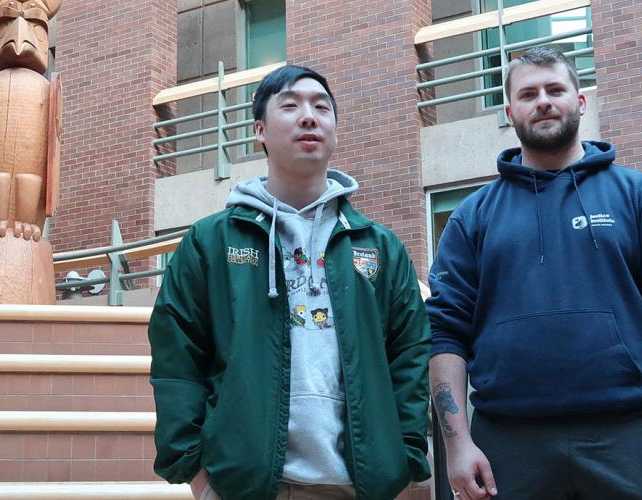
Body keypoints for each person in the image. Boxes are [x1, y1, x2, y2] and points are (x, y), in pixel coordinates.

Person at [426, 46, 642, 500]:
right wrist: (456, 444)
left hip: (634, 434)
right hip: (508, 441)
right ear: (509, 112)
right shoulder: (472, 217)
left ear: (580, 102)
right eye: (528, 94)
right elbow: (445, 333)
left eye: (555, 89)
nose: (542, 101)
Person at [149, 64, 432, 500]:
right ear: (259, 130)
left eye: (321, 107)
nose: (308, 116)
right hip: (243, 485)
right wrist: (197, 471)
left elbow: (409, 356)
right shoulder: (212, 241)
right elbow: (177, 358)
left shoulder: (380, 247)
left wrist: (405, 457)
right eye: (290, 105)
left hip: (358, 485)